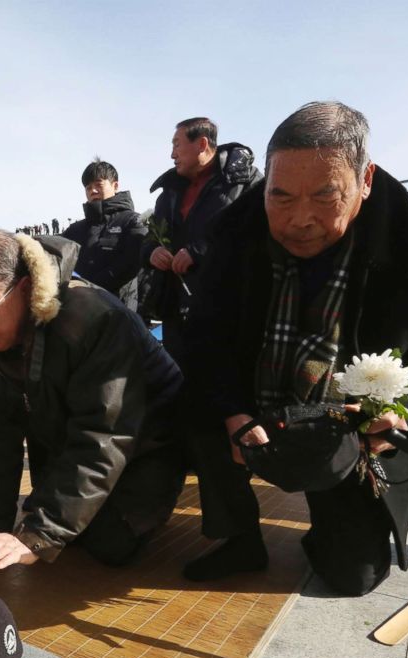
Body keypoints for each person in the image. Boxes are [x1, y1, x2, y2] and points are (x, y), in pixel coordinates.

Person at [186, 101, 408, 596]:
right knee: (189, 402)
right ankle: (238, 533)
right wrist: (234, 415)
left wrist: (397, 414)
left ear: (365, 180)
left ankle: (334, 517)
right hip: (256, 400)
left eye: (325, 196)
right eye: (280, 197)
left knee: (351, 576)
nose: (300, 219)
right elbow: (207, 342)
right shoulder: (234, 235)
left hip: (355, 422)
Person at [0, 229, 185, 571]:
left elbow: (104, 434)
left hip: (150, 437)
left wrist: (39, 534)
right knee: (56, 532)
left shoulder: (96, 319)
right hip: (66, 428)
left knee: (108, 544)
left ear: (25, 289)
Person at [140, 118, 264, 581]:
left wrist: (203, 249)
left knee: (227, 417)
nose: (171, 152)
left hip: (232, 319)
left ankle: (245, 531)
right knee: (196, 417)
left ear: (203, 144)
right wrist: (153, 252)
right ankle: (234, 533)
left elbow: (255, 239)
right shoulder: (168, 193)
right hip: (181, 318)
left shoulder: (246, 183)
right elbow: (151, 237)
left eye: (177, 143)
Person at [62, 158, 147, 311]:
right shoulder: (75, 229)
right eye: (88, 187)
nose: (92, 191)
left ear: (115, 185)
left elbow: (130, 264)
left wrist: (91, 287)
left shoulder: (133, 222)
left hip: (117, 313)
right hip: (79, 311)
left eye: (98, 184)